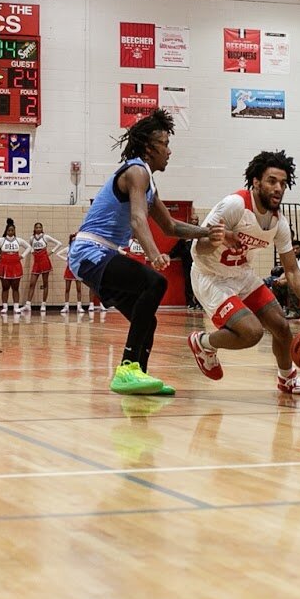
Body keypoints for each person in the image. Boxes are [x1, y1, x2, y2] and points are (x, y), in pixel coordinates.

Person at [66, 109, 224, 395]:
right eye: (164, 143)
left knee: (147, 318)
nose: (169, 151)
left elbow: (171, 227)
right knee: (155, 282)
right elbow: (138, 219)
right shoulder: (136, 171)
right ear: (150, 148)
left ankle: (138, 375)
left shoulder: (149, 181)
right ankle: (127, 368)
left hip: (101, 254)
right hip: (90, 250)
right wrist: (153, 254)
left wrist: (206, 232)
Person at [186, 151, 300, 395]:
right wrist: (216, 239)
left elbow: (291, 269)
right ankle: (203, 343)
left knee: (281, 326)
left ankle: (287, 378)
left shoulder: (280, 223)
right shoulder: (235, 205)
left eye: (283, 183)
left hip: (242, 274)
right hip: (211, 276)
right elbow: (198, 248)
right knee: (252, 333)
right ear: (256, 182)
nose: (278, 188)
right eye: (272, 181)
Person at [24, 222, 63, 313]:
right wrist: (32, 251)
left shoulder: (45, 237)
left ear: (42, 229)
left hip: (44, 260)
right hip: (36, 261)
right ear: (34, 229)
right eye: (36, 227)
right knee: (32, 283)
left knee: (45, 283)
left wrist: (51, 252)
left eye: (39, 227)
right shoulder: (31, 238)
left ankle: (43, 304)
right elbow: (30, 247)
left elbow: (59, 243)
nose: (38, 229)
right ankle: (28, 305)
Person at [0, 218, 30, 314]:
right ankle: (5, 307)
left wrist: (22, 256)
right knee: (5, 287)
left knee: (15, 287)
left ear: (14, 231)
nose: (10, 232)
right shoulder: (1, 240)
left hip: (16, 265)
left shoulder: (19, 240)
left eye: (12, 230)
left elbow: (29, 247)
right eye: (9, 230)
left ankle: (16, 306)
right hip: (4, 265)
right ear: (6, 231)